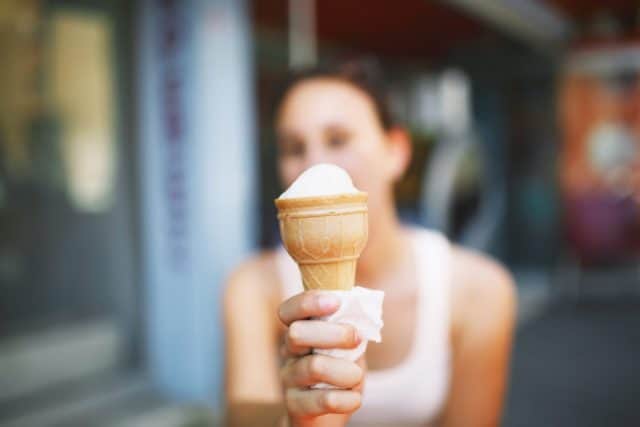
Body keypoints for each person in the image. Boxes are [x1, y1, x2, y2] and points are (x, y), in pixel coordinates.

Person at [224, 59, 515, 427]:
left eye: (338, 139)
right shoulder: (253, 285)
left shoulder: (480, 291)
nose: (314, 164)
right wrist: (298, 419)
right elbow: (241, 416)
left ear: (396, 152)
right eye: (293, 147)